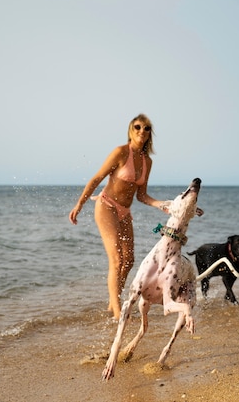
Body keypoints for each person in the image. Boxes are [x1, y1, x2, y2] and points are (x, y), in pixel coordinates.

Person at [69, 114, 171, 319]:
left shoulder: (147, 162)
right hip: (106, 205)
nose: (142, 131)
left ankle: (112, 302)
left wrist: (162, 205)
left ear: (150, 133)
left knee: (129, 260)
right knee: (116, 259)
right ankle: (117, 313)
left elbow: (141, 195)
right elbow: (97, 178)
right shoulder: (120, 152)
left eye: (146, 128)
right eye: (137, 127)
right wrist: (79, 204)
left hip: (125, 211)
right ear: (130, 130)